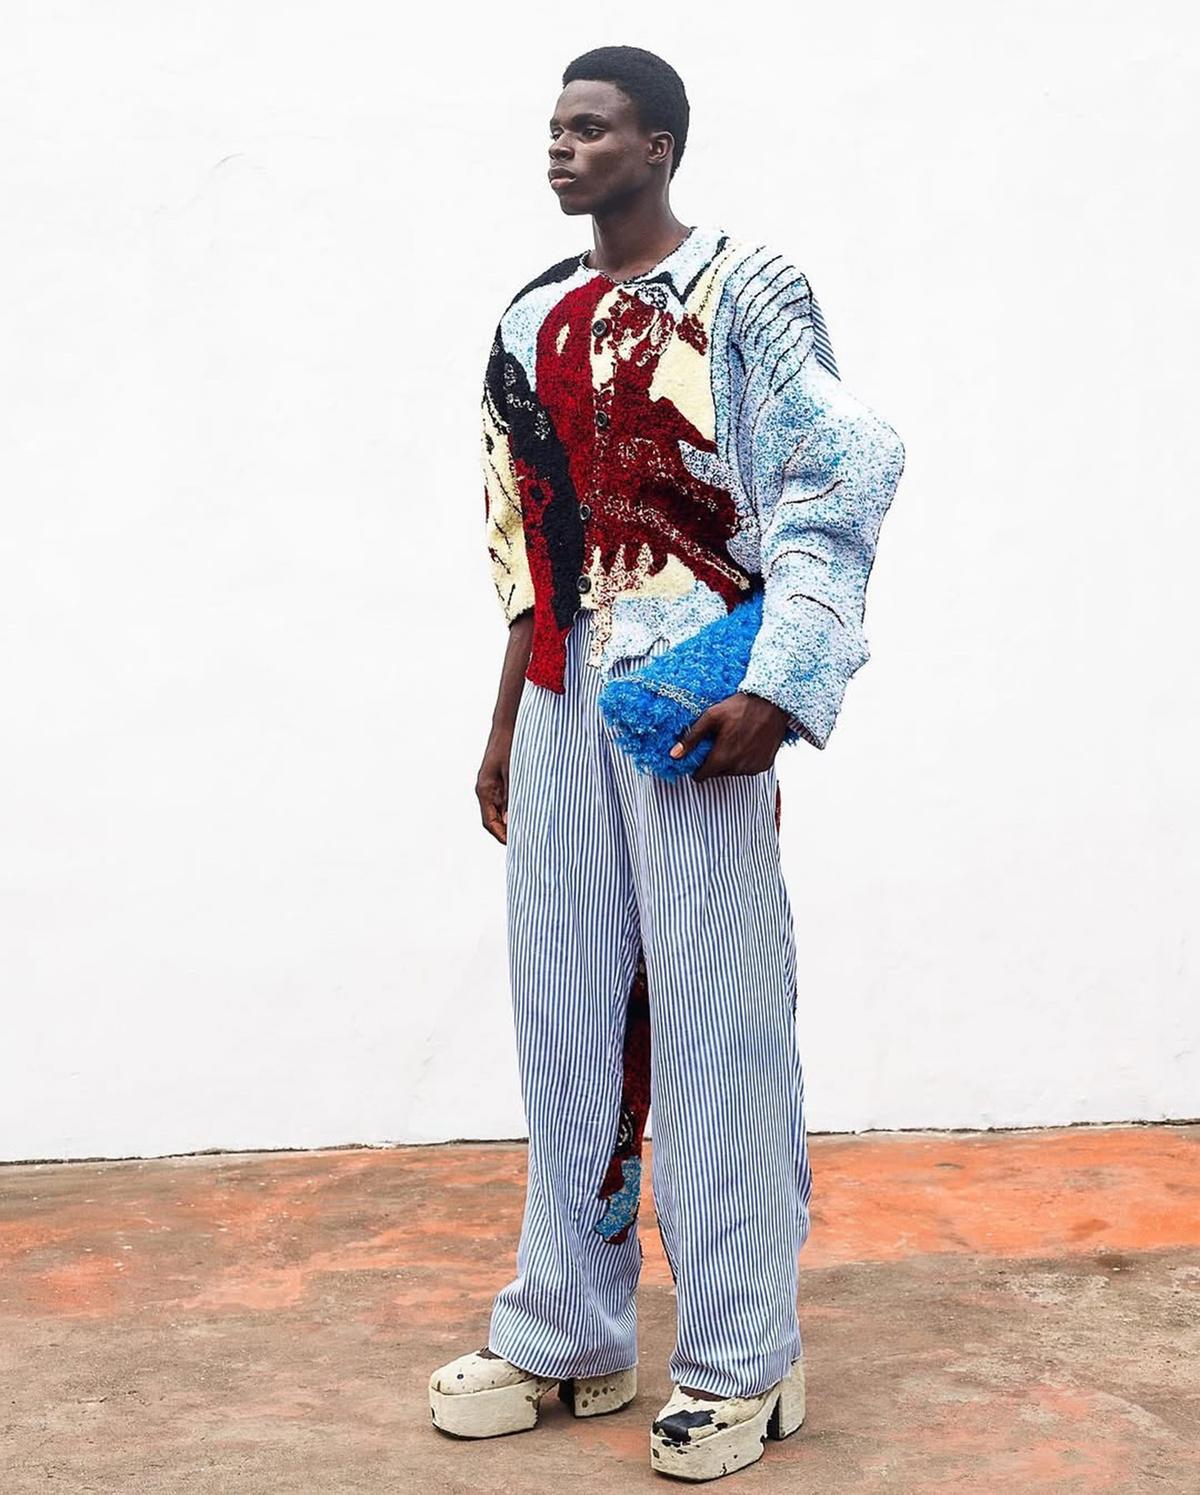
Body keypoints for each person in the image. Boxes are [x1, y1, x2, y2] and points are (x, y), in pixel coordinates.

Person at [428, 44, 905, 1482]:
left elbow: (837, 479)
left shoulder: (747, 290)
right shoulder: (529, 319)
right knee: (566, 1020)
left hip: (698, 707)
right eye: (556, 127)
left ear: (661, 145)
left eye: (594, 128)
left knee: (715, 1025)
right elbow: (527, 546)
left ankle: (747, 1356)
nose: (564, 148)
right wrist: (508, 722)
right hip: (572, 699)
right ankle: (568, 1332)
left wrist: (784, 686)